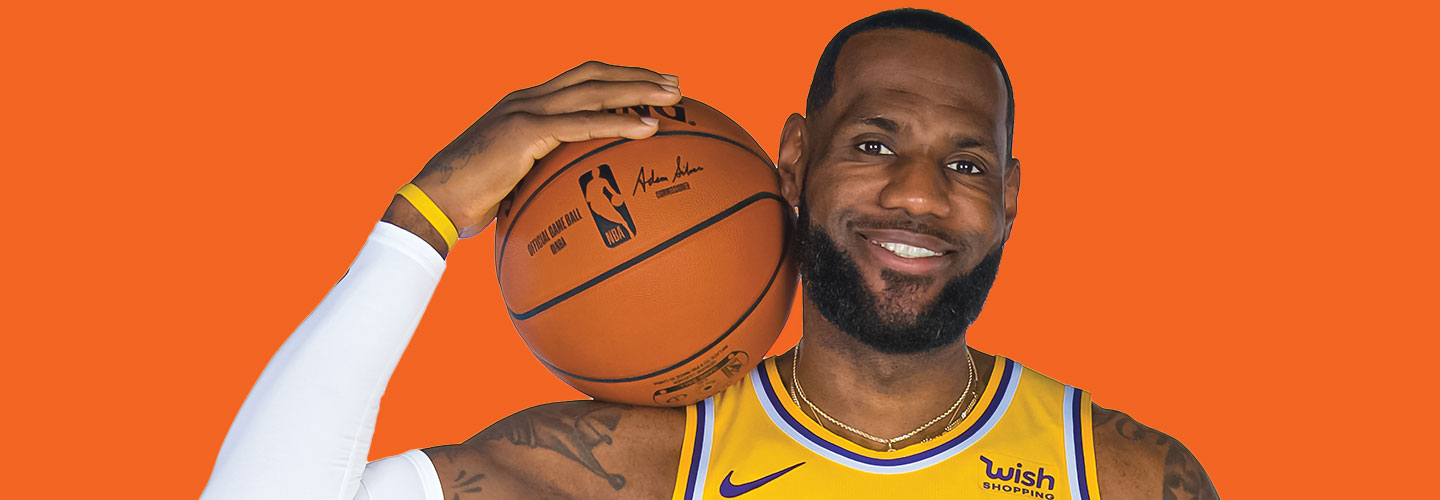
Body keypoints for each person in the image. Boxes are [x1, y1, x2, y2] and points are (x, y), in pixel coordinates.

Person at [201, 8, 1217, 500]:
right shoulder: (639, 467)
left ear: (1010, 198)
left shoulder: (1124, 475)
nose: (917, 193)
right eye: (874, 144)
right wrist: (423, 219)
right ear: (793, 159)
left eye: (965, 161)